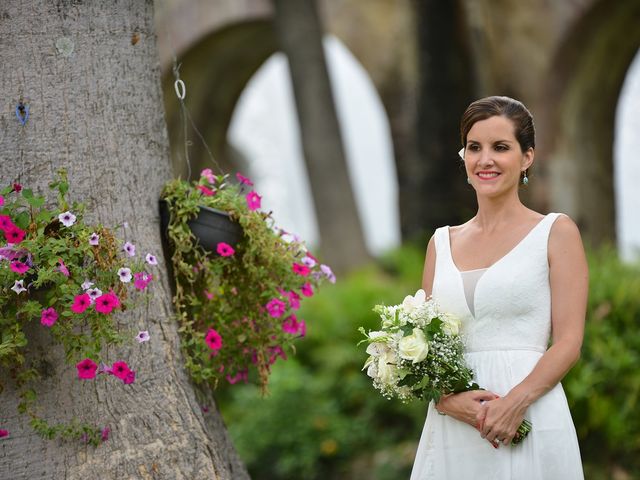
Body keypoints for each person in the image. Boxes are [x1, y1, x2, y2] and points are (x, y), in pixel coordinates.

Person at [410, 96, 587, 479]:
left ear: (527, 158)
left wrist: (514, 404)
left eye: (500, 147)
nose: (484, 160)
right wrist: (447, 401)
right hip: (455, 428)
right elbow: (422, 342)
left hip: (531, 416)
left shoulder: (555, 232)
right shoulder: (440, 243)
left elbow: (569, 342)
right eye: (474, 147)